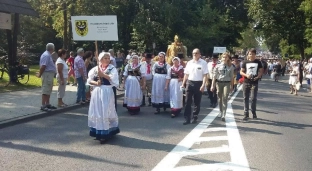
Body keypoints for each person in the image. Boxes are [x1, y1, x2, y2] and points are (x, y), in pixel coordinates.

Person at [87, 52, 120, 144]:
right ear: (100, 59)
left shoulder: (112, 68)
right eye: (105, 58)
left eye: (108, 58)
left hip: (107, 92)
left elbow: (114, 80)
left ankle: (107, 131)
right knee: (97, 111)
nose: (107, 60)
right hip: (97, 92)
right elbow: (89, 80)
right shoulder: (95, 69)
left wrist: (103, 75)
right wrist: (96, 83)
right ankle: (97, 131)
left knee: (106, 110)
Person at [181, 48, 208, 125]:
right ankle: (187, 118)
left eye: (196, 53)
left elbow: (205, 75)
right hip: (190, 83)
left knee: (197, 102)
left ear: (199, 54)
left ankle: (195, 117)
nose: (194, 55)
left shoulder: (203, 63)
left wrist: (203, 85)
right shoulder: (189, 63)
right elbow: (186, 74)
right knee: (187, 101)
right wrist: (183, 83)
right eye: (193, 53)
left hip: (198, 83)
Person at [240, 48, 263, 121]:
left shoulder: (258, 62)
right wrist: (246, 75)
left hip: (254, 82)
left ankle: (253, 112)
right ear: (248, 55)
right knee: (245, 98)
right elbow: (241, 72)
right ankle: (246, 113)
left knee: (253, 98)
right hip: (246, 81)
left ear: (255, 55)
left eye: (253, 54)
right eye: (250, 54)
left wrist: (258, 76)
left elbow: (261, 71)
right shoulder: (245, 62)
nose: (251, 55)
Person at [211, 52, 234, 121]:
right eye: (223, 57)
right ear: (221, 58)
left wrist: (231, 86)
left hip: (226, 83)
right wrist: (212, 85)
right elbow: (214, 76)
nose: (224, 58)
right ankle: (220, 111)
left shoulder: (231, 66)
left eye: (226, 57)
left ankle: (224, 114)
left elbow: (232, 77)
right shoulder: (218, 66)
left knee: (225, 98)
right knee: (220, 98)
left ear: (228, 58)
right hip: (219, 83)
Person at [37, 43, 57, 111]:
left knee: (49, 89)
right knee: (45, 89)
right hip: (47, 74)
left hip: (49, 74)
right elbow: (43, 66)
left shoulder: (49, 55)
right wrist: (40, 74)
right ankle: (43, 105)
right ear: (52, 48)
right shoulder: (46, 55)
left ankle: (47, 103)